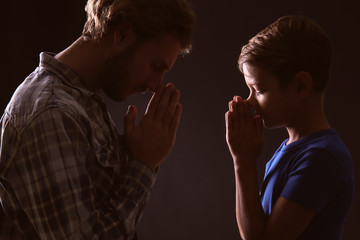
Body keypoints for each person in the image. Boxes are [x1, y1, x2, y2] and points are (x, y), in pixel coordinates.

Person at [0, 0, 195, 239]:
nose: (156, 85)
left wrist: (132, 155)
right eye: (155, 66)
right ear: (123, 34)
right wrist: (143, 164)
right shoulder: (51, 112)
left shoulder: (81, 100)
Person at [225, 15, 354, 240]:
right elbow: (254, 232)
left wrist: (243, 161)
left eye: (259, 89)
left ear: (301, 86)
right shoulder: (291, 149)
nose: (249, 101)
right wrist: (241, 160)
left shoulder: (321, 158)